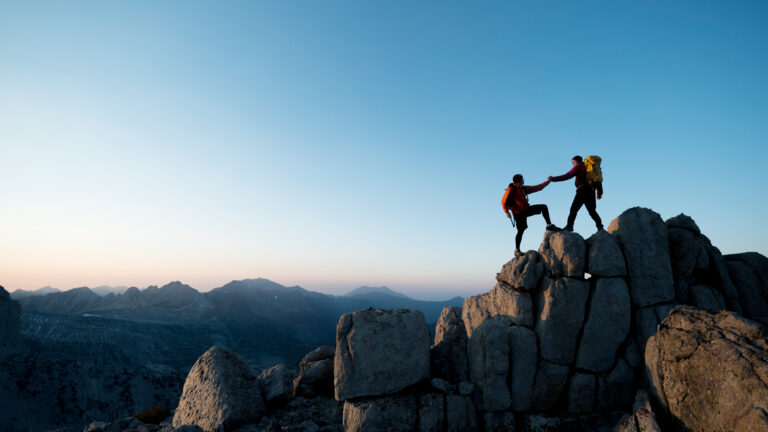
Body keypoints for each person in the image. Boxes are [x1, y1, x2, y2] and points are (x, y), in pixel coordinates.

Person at [502, 174, 559, 257]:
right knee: (521, 230)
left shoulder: (523, 188)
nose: (524, 180)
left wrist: (547, 181)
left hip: (526, 210)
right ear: (519, 180)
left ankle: (549, 225)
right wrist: (506, 212)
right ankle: (517, 250)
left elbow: (537, 187)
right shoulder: (511, 189)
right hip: (518, 213)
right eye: (522, 179)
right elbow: (503, 201)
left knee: (543, 207)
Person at [549, 155, 603, 232]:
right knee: (592, 211)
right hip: (591, 191)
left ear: (576, 161)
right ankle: (600, 227)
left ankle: (569, 226)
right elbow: (598, 180)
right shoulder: (590, 168)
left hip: (582, 191)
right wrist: (599, 192)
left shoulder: (579, 167)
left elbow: (567, 175)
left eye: (573, 162)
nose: (573, 164)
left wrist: (552, 179)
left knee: (573, 210)